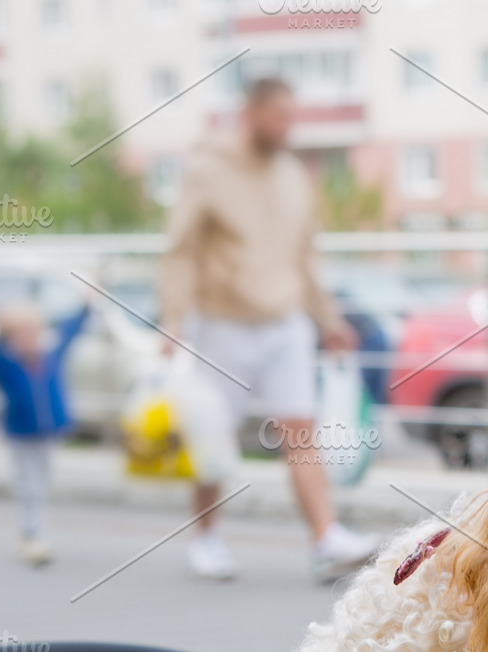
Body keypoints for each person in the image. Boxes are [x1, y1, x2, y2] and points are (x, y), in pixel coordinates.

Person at [158, 75, 381, 581]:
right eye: (280, 115)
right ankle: (207, 536)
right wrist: (173, 320)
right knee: (212, 437)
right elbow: (181, 250)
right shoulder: (207, 170)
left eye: (292, 114)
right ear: (252, 112)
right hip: (223, 323)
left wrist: (329, 319)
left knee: (300, 431)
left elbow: (306, 256)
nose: (289, 126)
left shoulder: (292, 175)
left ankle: (325, 538)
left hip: (285, 323)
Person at [0, 297, 90, 566]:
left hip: (48, 432)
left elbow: (71, 330)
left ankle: (33, 532)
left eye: (33, 332)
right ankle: (31, 534)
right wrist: (4, 324)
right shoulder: (5, 362)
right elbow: (0, 345)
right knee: (29, 484)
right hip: (21, 433)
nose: (29, 339)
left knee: (42, 480)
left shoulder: (51, 354)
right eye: (21, 334)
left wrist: (86, 303)